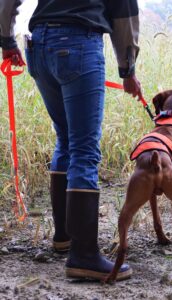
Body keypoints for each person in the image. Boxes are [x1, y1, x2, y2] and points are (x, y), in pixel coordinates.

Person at [0, 0, 141, 281]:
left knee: (65, 139)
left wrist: (6, 39)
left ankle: (64, 237)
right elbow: (124, 12)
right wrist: (128, 69)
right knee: (84, 150)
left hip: (38, 46)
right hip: (78, 44)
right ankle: (85, 255)